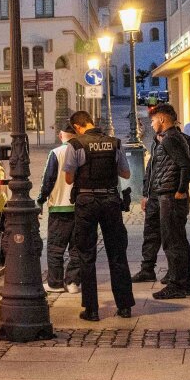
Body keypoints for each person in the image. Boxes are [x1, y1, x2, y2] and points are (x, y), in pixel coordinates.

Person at [63, 110, 135, 321]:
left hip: (86, 202)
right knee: (117, 254)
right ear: (91, 122)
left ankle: (92, 310)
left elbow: (68, 179)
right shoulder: (115, 143)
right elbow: (126, 174)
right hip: (111, 201)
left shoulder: (76, 145)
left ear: (77, 127)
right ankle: (124, 307)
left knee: (86, 255)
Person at [132, 104, 190, 299]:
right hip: (164, 195)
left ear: (162, 120)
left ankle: (177, 284)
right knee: (176, 240)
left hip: (170, 196)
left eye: (152, 120)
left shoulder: (170, 139)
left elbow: (186, 165)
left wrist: (181, 191)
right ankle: (183, 283)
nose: (151, 125)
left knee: (172, 242)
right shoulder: (167, 139)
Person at [37, 129, 81, 294]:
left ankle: (55, 283)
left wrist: (40, 200)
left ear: (61, 136)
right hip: (80, 207)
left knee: (56, 247)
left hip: (59, 207)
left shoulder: (56, 153)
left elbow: (47, 179)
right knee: (77, 248)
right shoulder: (81, 151)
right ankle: (73, 282)